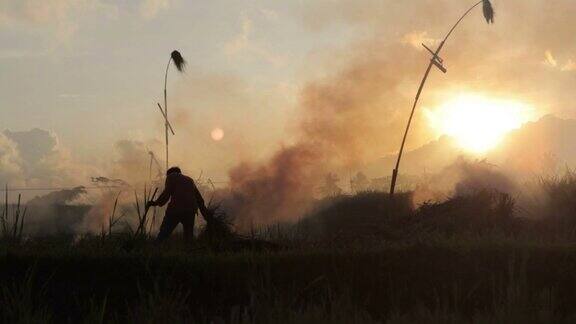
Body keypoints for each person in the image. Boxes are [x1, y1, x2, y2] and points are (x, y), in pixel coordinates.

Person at [146, 166, 210, 242]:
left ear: (169, 174)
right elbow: (199, 200)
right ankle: (189, 252)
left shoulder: (171, 176)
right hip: (190, 211)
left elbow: (166, 194)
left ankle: (156, 248)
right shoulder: (190, 180)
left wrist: (155, 203)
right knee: (188, 237)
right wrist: (207, 217)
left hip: (175, 209)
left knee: (164, 233)